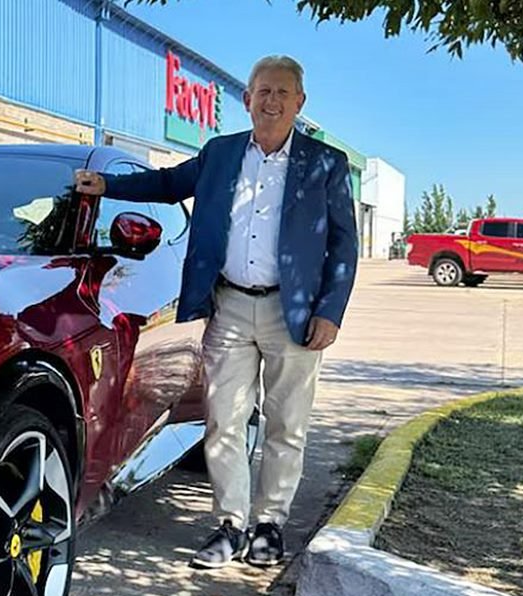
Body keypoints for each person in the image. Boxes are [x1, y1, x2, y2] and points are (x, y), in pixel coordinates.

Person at [75, 55, 357, 569]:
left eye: (282, 92)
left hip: (292, 312)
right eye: (262, 91)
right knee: (224, 420)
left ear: (300, 102)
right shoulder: (220, 154)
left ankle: (269, 524)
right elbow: (166, 184)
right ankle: (229, 525)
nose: (271, 101)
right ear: (247, 99)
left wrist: (331, 311)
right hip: (227, 306)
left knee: (285, 424)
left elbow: (343, 244)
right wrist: (108, 186)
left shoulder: (325, 164)